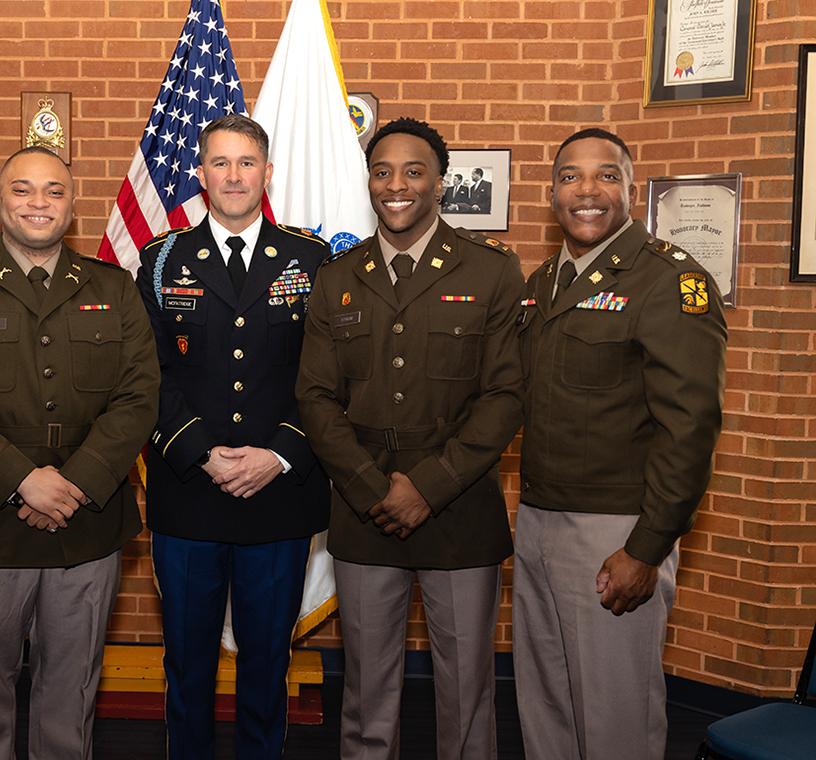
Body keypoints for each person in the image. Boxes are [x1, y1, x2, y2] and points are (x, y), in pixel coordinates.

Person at [0, 146, 159, 760]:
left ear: (72, 206)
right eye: (22, 190)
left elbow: (138, 397)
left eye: (53, 191)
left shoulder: (113, 287)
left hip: (86, 522)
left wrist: (70, 484)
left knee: (70, 692)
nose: (38, 203)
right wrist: (25, 481)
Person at [296, 117, 525, 760]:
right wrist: (374, 487)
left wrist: (427, 486)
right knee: (368, 694)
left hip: (459, 506)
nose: (396, 186)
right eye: (382, 171)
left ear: (441, 184)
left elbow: (505, 396)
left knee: (467, 693)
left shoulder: (492, 273)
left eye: (414, 171)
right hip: (363, 509)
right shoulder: (336, 277)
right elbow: (315, 397)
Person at [513, 127, 727, 760]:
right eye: (570, 177)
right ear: (551, 192)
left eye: (606, 175)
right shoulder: (543, 281)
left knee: (616, 720)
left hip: (616, 532)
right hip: (538, 517)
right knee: (545, 703)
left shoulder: (669, 281)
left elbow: (690, 426)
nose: (586, 191)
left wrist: (647, 548)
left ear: (633, 189)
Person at [135, 114, 331, 760]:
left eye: (246, 163)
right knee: (187, 671)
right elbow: (147, 376)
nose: (233, 176)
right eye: (219, 163)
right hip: (189, 495)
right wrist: (200, 452)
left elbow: (327, 374)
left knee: (265, 669)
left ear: (266, 173)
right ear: (199, 175)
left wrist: (279, 454)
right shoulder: (161, 260)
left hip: (278, 499)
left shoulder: (311, 258)